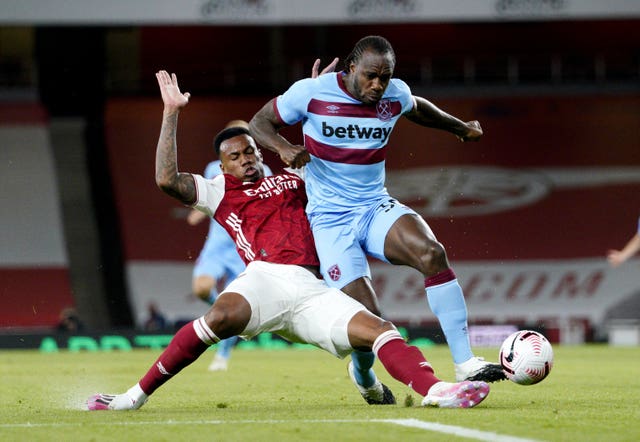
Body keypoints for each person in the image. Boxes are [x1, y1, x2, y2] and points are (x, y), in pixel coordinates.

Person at [86, 70, 490, 411]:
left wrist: (317, 100)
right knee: (219, 316)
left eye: (250, 151)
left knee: (380, 328)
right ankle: (132, 397)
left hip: (314, 290)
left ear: (260, 152)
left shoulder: (297, 178)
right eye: (235, 156)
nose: (246, 158)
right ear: (222, 164)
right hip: (265, 280)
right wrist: (171, 114)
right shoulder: (218, 191)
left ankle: (437, 391)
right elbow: (165, 180)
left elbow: (329, 153)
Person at [249, 35, 505, 388]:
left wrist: (460, 127)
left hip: (373, 206)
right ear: (352, 68)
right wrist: (283, 147)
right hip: (330, 220)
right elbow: (258, 123)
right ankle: (364, 375)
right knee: (369, 319)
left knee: (431, 253)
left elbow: (417, 108)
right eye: (370, 76)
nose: (378, 85)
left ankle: (465, 362)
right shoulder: (310, 92)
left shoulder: (392, 94)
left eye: (384, 77)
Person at [186, 119, 272, 371]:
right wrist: (197, 211)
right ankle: (222, 316)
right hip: (218, 241)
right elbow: (211, 194)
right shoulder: (215, 166)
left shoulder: (262, 170)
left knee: (233, 302)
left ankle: (222, 354)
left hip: (244, 244)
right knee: (202, 289)